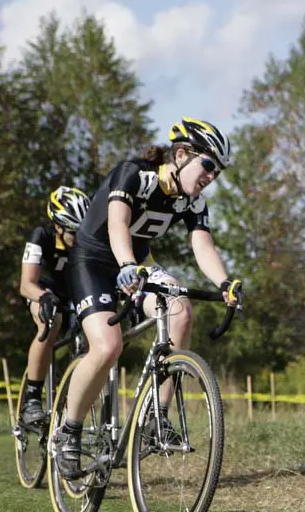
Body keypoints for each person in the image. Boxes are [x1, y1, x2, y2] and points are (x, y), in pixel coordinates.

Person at [51, 117, 243, 479]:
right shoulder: (135, 173)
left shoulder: (192, 201)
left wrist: (224, 282)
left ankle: (158, 417)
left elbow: (201, 243)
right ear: (182, 154)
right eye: (208, 165)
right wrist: (126, 264)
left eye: (217, 171)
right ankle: (69, 431)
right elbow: (117, 224)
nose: (211, 176)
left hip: (137, 263)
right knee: (108, 347)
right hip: (93, 260)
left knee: (180, 312)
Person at [17, 186, 89, 426]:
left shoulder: (85, 239)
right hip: (43, 292)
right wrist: (44, 298)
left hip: (75, 294)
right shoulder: (42, 236)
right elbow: (26, 284)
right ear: (58, 226)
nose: (79, 239)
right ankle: (33, 399)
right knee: (51, 320)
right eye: (73, 233)